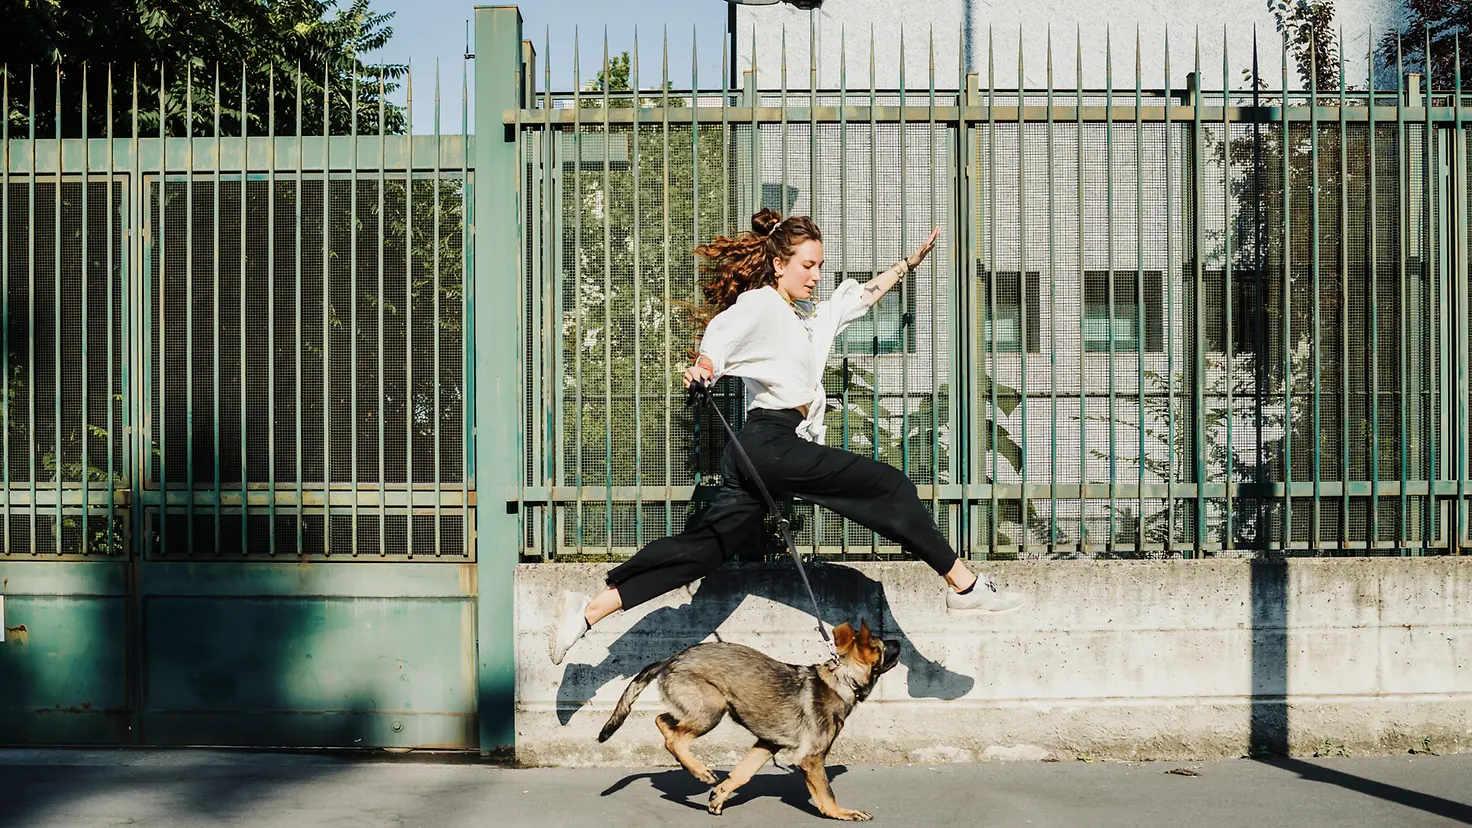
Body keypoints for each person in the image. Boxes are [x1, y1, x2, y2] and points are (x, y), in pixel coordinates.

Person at [551, 208, 1026, 665]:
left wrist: (907, 265)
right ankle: (964, 587)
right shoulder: (760, 303)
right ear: (779, 265)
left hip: (764, 453)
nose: (815, 276)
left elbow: (861, 297)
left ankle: (588, 611)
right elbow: (720, 333)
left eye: (820, 266)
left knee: (704, 551)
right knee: (890, 485)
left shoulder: (809, 320)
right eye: (807, 265)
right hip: (768, 442)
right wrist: (704, 367)